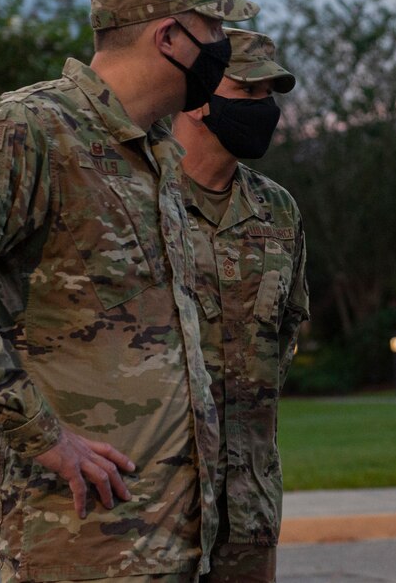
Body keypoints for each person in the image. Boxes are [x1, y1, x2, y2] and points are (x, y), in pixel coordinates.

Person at [0, 0, 259, 582]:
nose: (223, 46)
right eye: (214, 28)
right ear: (169, 35)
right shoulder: (32, 130)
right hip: (84, 548)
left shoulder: (157, 152)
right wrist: (43, 436)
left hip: (175, 541)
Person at [172, 29, 309, 583]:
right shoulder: (137, 200)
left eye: (268, 97)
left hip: (248, 504)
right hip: (156, 505)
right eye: (246, 92)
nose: (263, 110)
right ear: (199, 96)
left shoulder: (278, 210)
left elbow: (287, 329)